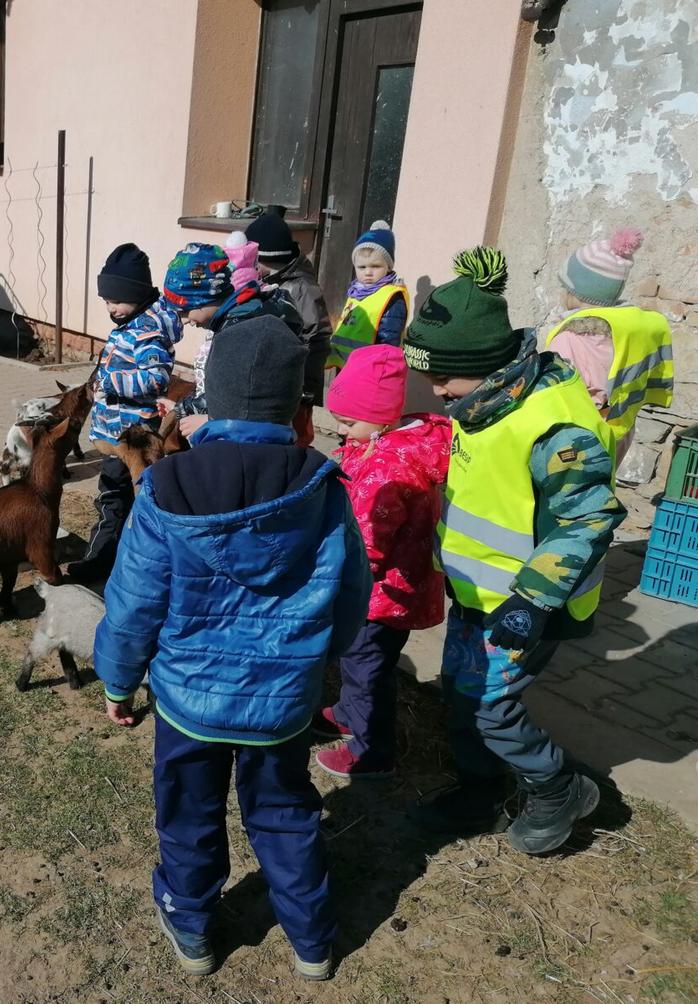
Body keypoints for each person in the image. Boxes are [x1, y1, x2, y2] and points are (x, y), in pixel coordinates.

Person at [93, 319, 372, 981]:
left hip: (189, 702)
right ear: (296, 407)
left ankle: (191, 926)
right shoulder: (323, 489)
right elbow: (350, 595)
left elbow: (133, 602)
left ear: (209, 397)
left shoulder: (166, 487)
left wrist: (118, 682)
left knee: (188, 811)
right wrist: (321, 662)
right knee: (285, 813)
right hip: (283, 702)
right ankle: (312, 941)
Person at [402, 246, 626, 855]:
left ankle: (559, 788)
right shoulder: (484, 401)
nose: (435, 389)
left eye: (442, 377)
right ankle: (480, 789)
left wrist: (532, 600)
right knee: (463, 691)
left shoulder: (554, 427)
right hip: (479, 593)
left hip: (528, 603)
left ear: (483, 364)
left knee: (492, 707)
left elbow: (589, 517)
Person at [313, 344, 449, 779]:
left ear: (383, 416)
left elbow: (367, 543)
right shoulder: (382, 443)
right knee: (362, 662)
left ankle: (372, 750)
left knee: (366, 669)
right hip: (391, 590)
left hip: (380, 595)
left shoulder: (386, 470)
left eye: (349, 422)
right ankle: (348, 713)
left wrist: (332, 572)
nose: (340, 430)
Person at [67, 242, 182, 583]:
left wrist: (110, 381)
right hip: (119, 434)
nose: (111, 308)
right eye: (106, 301)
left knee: (113, 498)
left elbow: (156, 378)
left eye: (117, 300)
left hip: (132, 438)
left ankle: (101, 561)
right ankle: (121, 561)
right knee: (121, 500)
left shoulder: (147, 332)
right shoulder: (132, 323)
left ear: (137, 295)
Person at [543, 227, 674, 461]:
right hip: (618, 432)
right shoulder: (628, 333)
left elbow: (550, 401)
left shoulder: (568, 340)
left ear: (575, 291)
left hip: (576, 443)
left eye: (565, 286)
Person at [161, 241, 301, 440]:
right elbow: (223, 390)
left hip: (247, 441)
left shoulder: (242, 334)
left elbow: (246, 403)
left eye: (185, 311)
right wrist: (181, 408)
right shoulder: (237, 318)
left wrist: (211, 422)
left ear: (205, 299)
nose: (183, 321)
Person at [245, 206, 331, 445]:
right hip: (272, 378)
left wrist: (307, 391)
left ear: (266, 259)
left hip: (296, 385)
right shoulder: (268, 280)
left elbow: (317, 339)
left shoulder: (302, 290)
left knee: (294, 439)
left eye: (251, 260)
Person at [325, 221, 409, 370]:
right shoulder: (356, 291)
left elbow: (388, 341)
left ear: (388, 266)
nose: (368, 272)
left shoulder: (391, 297)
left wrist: (379, 369)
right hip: (347, 366)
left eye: (375, 266)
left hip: (370, 369)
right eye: (362, 267)